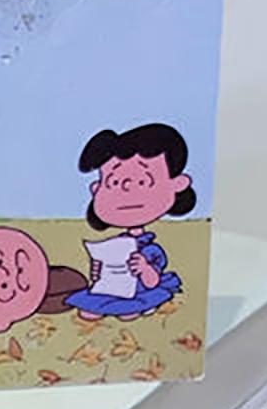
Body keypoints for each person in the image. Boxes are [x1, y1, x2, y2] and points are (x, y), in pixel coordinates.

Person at [66, 122, 196, 321]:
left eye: (142, 181)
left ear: (177, 184)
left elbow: (152, 281)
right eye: (114, 182)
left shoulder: (151, 250)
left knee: (130, 310)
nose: (126, 188)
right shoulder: (115, 245)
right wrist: (98, 271)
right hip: (112, 289)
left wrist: (144, 268)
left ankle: (139, 306)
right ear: (96, 189)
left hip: (139, 291)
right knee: (88, 308)